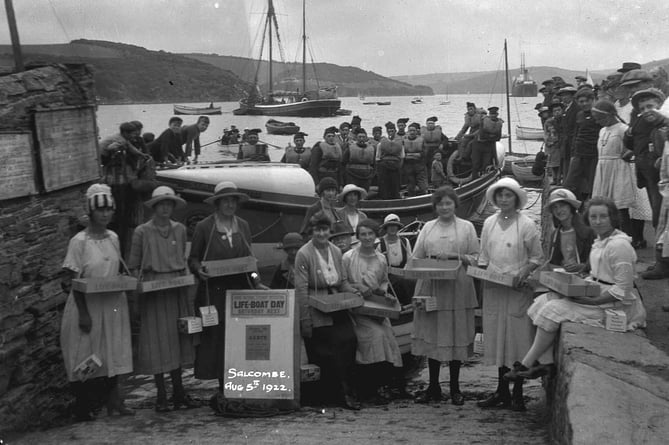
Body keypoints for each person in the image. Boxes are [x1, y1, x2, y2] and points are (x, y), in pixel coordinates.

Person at [504, 197, 647, 382]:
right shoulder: (601, 240)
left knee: (551, 310)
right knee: (540, 302)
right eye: (593, 217)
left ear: (613, 218)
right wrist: (572, 287)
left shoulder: (619, 246)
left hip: (615, 304)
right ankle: (545, 364)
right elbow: (596, 274)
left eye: (603, 216)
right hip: (597, 291)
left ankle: (526, 364)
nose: (597, 221)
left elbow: (624, 289)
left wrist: (592, 300)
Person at [60, 184, 133, 421]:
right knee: (84, 354)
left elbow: (116, 268)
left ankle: (114, 403)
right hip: (88, 306)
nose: (105, 214)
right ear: (91, 212)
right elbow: (71, 280)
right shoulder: (79, 241)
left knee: (112, 351)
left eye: (108, 210)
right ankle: (84, 407)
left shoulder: (113, 238)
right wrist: (83, 313)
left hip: (111, 304)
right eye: (100, 210)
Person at [127, 186, 196, 412]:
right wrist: (139, 292)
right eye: (162, 204)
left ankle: (179, 391)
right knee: (157, 342)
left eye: (169, 204)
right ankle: (161, 395)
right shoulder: (142, 232)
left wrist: (186, 286)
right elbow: (134, 265)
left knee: (177, 339)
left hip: (176, 287)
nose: (166, 208)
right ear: (154, 207)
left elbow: (183, 260)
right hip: (154, 289)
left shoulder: (180, 230)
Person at [476, 177, 543, 412]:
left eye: (508, 196)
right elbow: (483, 257)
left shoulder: (526, 224)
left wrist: (522, 274)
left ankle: (518, 393)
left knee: (517, 339)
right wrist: (483, 274)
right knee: (498, 339)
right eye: (500, 196)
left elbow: (536, 258)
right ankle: (501, 391)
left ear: (516, 199)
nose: (504, 200)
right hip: (495, 288)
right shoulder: (489, 223)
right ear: (495, 198)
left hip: (517, 289)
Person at [188, 181, 258, 395]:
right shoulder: (205, 227)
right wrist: (199, 270)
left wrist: (255, 278)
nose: (229, 204)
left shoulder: (243, 225)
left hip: (239, 288)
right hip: (214, 290)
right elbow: (193, 259)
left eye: (233, 201)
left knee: (240, 336)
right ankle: (222, 384)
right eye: (225, 201)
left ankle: (240, 381)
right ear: (217, 204)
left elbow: (250, 260)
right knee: (217, 338)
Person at [411, 186, 479, 406]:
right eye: (440, 203)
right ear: (435, 206)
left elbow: (477, 258)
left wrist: (452, 255)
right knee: (433, 333)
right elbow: (415, 256)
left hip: (458, 286)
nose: (445, 207)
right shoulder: (428, 228)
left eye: (449, 203)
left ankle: (456, 388)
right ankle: (433, 386)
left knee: (455, 333)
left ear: (455, 205)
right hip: (431, 285)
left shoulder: (467, 227)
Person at [294, 212, 361, 410]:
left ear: (329, 231)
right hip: (316, 307)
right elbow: (301, 289)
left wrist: (354, 292)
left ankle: (349, 389)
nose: (321, 233)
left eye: (324, 230)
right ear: (311, 232)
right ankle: (339, 395)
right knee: (331, 348)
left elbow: (343, 282)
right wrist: (306, 320)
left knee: (350, 339)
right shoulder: (303, 254)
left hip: (337, 304)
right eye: (317, 230)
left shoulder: (335, 251)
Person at [343, 219, 403, 402]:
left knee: (388, 335)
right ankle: (368, 389)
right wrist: (356, 288)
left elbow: (383, 281)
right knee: (375, 336)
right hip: (356, 309)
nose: (367, 237)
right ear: (358, 236)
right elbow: (341, 282)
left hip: (376, 308)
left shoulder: (381, 258)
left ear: (376, 235)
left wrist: (384, 294)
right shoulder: (348, 257)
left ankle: (382, 385)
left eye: (370, 234)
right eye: (363, 234)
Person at [99, 122, 150, 255]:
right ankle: (118, 232)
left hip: (119, 179)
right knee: (119, 211)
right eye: (132, 133)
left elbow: (132, 148)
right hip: (114, 180)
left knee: (122, 211)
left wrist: (141, 154)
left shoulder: (124, 140)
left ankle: (121, 228)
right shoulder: (118, 141)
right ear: (125, 133)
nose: (135, 135)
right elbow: (109, 155)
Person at [590, 99, 637, 235]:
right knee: (604, 206)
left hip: (618, 169)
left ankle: (627, 238)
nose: (597, 121)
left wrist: (629, 152)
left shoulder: (623, 129)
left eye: (599, 118)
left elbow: (635, 146)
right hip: (603, 169)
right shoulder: (602, 130)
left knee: (620, 207)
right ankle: (607, 236)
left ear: (609, 115)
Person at [563, 88, 602, 201]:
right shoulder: (579, 115)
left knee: (593, 184)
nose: (584, 104)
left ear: (593, 100)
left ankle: (592, 206)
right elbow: (576, 133)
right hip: (579, 153)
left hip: (594, 154)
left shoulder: (598, 114)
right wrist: (573, 153)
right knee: (569, 183)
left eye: (586, 101)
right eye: (581, 102)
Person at [543, 188, 595, 272]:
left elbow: (600, 259)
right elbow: (553, 261)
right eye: (555, 207)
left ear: (571, 207)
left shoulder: (588, 231)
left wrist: (582, 266)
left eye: (562, 206)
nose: (559, 210)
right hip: (565, 276)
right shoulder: (555, 234)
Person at [378, 214, 415, 306]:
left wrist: (406, 271)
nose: (393, 228)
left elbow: (410, 260)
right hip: (387, 276)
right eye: (390, 226)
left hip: (404, 272)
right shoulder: (379, 243)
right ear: (386, 228)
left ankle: (412, 303)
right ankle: (404, 303)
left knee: (415, 279)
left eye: (395, 226)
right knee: (401, 281)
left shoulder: (405, 241)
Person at [471, 107, 503, 180]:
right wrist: (492, 137)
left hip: (488, 146)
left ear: (497, 114)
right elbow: (482, 135)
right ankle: (474, 180)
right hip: (478, 145)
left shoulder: (499, 123)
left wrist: (489, 137)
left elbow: (498, 137)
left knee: (486, 165)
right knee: (476, 164)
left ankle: (484, 178)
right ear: (489, 114)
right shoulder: (484, 121)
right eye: (491, 114)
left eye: (494, 114)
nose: (493, 116)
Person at [377, 121, 404, 200]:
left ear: (395, 131)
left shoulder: (400, 143)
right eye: (389, 131)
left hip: (395, 167)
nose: (390, 133)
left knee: (395, 184)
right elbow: (378, 157)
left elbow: (402, 156)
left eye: (392, 131)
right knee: (384, 185)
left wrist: (399, 167)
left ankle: (395, 198)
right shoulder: (381, 143)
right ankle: (384, 199)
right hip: (384, 167)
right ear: (387, 131)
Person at [558, 86, 579, 180]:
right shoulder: (566, 109)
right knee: (566, 161)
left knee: (571, 162)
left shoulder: (576, 108)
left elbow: (575, 126)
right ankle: (565, 180)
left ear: (572, 96)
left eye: (566, 95)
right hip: (566, 141)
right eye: (562, 96)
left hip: (572, 141)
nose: (563, 98)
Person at [402, 123, 428, 196]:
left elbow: (425, 152)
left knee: (422, 183)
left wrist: (420, 156)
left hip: (419, 164)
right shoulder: (404, 140)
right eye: (410, 130)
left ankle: (424, 195)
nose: (412, 132)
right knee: (410, 184)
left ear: (416, 131)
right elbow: (402, 153)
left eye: (414, 130)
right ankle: (411, 197)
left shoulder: (421, 140)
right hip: (408, 165)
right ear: (408, 131)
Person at [544, 103, 563, 184]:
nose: (557, 112)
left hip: (561, 144)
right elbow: (546, 133)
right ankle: (555, 178)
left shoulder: (564, 120)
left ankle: (559, 179)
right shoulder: (549, 122)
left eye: (559, 110)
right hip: (552, 144)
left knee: (560, 164)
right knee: (553, 163)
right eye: (555, 111)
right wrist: (548, 142)